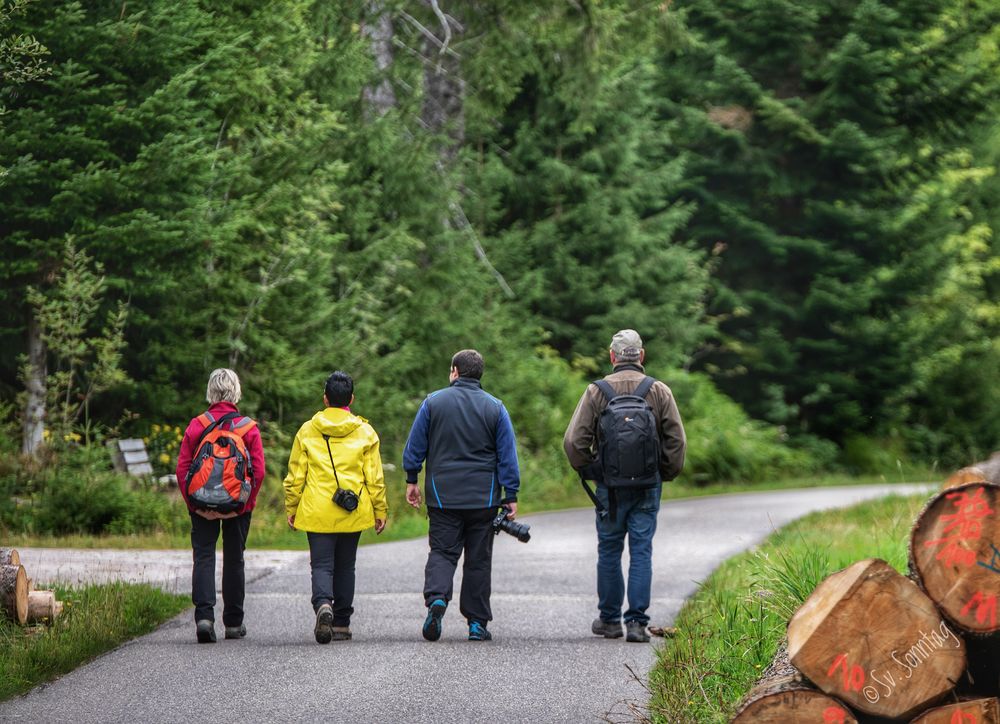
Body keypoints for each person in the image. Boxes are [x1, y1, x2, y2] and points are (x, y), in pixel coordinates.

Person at [563, 330, 686, 643]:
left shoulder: (597, 391)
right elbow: (676, 440)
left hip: (610, 487)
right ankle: (636, 623)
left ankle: (609, 620)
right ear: (641, 356)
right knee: (641, 551)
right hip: (648, 485)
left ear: (612, 356)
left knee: (609, 550)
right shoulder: (658, 390)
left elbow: (574, 442)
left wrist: (591, 468)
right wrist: (665, 472)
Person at [403, 349, 521, 642]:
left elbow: (414, 446)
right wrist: (511, 493)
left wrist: (411, 479)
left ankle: (437, 599)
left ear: (455, 371)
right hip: (484, 498)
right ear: (479, 374)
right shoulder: (496, 408)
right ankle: (477, 623)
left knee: (443, 552)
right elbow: (507, 455)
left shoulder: (433, 402)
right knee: (478, 560)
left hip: (443, 497)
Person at [283, 371, 387, 644]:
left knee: (321, 564)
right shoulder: (365, 432)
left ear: (325, 398)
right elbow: (374, 477)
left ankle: (322, 605)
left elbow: (295, 476)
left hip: (317, 508)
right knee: (346, 565)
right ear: (351, 398)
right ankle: (341, 623)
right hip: (352, 509)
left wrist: (291, 506)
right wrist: (380, 510)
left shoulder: (307, 430)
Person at [176, 368, 266, 643]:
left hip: (201, 503)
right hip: (237, 504)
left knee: (204, 556)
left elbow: (183, 468)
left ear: (211, 392)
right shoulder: (247, 428)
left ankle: (204, 618)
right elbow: (259, 471)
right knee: (234, 558)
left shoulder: (197, 424)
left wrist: (194, 504)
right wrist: (245, 504)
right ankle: (233, 623)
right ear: (235, 391)